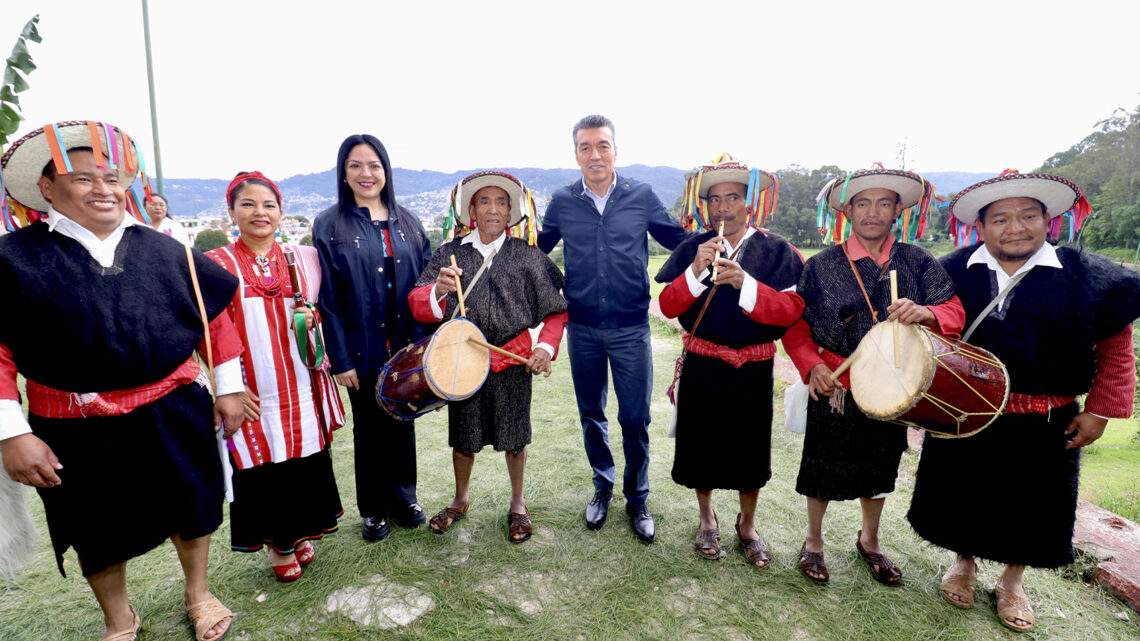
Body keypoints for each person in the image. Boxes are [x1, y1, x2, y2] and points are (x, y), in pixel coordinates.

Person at [0, 120, 242, 641]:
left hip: (174, 407)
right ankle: (119, 618)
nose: (104, 189)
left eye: (111, 178)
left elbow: (212, 320)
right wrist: (12, 432)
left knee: (192, 503)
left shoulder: (166, 250)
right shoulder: (12, 261)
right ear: (47, 188)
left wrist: (228, 386)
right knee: (94, 526)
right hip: (73, 423)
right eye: (84, 179)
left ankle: (198, 593)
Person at [907, 171, 1140, 633]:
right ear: (981, 226)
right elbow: (925, 336)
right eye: (1001, 219)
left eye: (1028, 215)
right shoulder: (951, 271)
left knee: (1034, 505)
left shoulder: (1087, 276)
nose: (1015, 227)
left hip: (1047, 416)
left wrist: (1099, 410)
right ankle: (964, 563)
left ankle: (1013, 581)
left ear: (1047, 220)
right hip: (966, 410)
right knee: (963, 493)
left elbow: (1115, 347)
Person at [782, 168, 965, 587]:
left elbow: (954, 310)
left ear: (898, 209)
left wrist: (927, 313)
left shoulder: (917, 261)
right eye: (862, 203)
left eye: (884, 203)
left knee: (881, 465)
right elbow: (796, 327)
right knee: (821, 464)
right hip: (837, 386)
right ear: (847, 210)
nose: (872, 212)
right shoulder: (820, 266)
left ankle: (871, 540)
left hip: (896, 385)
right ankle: (813, 541)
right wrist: (813, 366)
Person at [537, 114, 689, 543]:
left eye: (602, 145)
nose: (595, 154)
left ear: (615, 151)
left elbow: (677, 240)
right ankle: (602, 488)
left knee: (636, 417)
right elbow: (536, 255)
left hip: (630, 330)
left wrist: (723, 239)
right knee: (591, 415)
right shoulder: (563, 202)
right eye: (585, 147)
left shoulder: (640, 195)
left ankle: (637, 497)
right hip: (582, 329)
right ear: (576, 155)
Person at [655, 158, 804, 566]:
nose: (723, 207)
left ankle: (747, 523)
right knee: (700, 446)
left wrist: (745, 282)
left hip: (754, 369)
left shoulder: (777, 251)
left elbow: (791, 311)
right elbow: (668, 307)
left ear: (748, 203)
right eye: (715, 199)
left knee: (749, 451)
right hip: (703, 362)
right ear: (706, 207)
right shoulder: (692, 247)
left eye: (733, 197)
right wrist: (696, 269)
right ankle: (707, 518)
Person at [409, 171, 567, 542]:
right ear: (471, 210)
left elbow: (557, 310)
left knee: (515, 437)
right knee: (464, 436)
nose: (493, 209)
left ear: (511, 211)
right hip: (462, 363)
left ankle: (517, 505)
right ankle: (460, 500)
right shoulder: (450, 255)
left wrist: (544, 347)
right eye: (484, 201)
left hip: (512, 362)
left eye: (500, 202)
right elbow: (417, 303)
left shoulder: (530, 257)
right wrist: (439, 289)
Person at [206, 171, 346, 582]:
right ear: (231, 212)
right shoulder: (217, 265)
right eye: (247, 204)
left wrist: (314, 321)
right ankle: (279, 544)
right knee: (263, 465)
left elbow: (327, 308)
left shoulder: (305, 259)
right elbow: (211, 329)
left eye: (268, 205)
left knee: (304, 460)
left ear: (281, 212)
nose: (259, 212)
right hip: (253, 386)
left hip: (302, 382)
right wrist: (229, 387)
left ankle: (300, 532)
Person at [313, 134, 432, 542]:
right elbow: (326, 298)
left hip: (406, 349)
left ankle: (404, 498)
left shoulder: (409, 222)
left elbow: (425, 283)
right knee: (369, 429)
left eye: (374, 165)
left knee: (403, 422)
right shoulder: (329, 224)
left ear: (386, 171)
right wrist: (340, 359)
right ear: (344, 174)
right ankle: (375, 508)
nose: (366, 173)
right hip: (361, 350)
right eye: (355, 166)